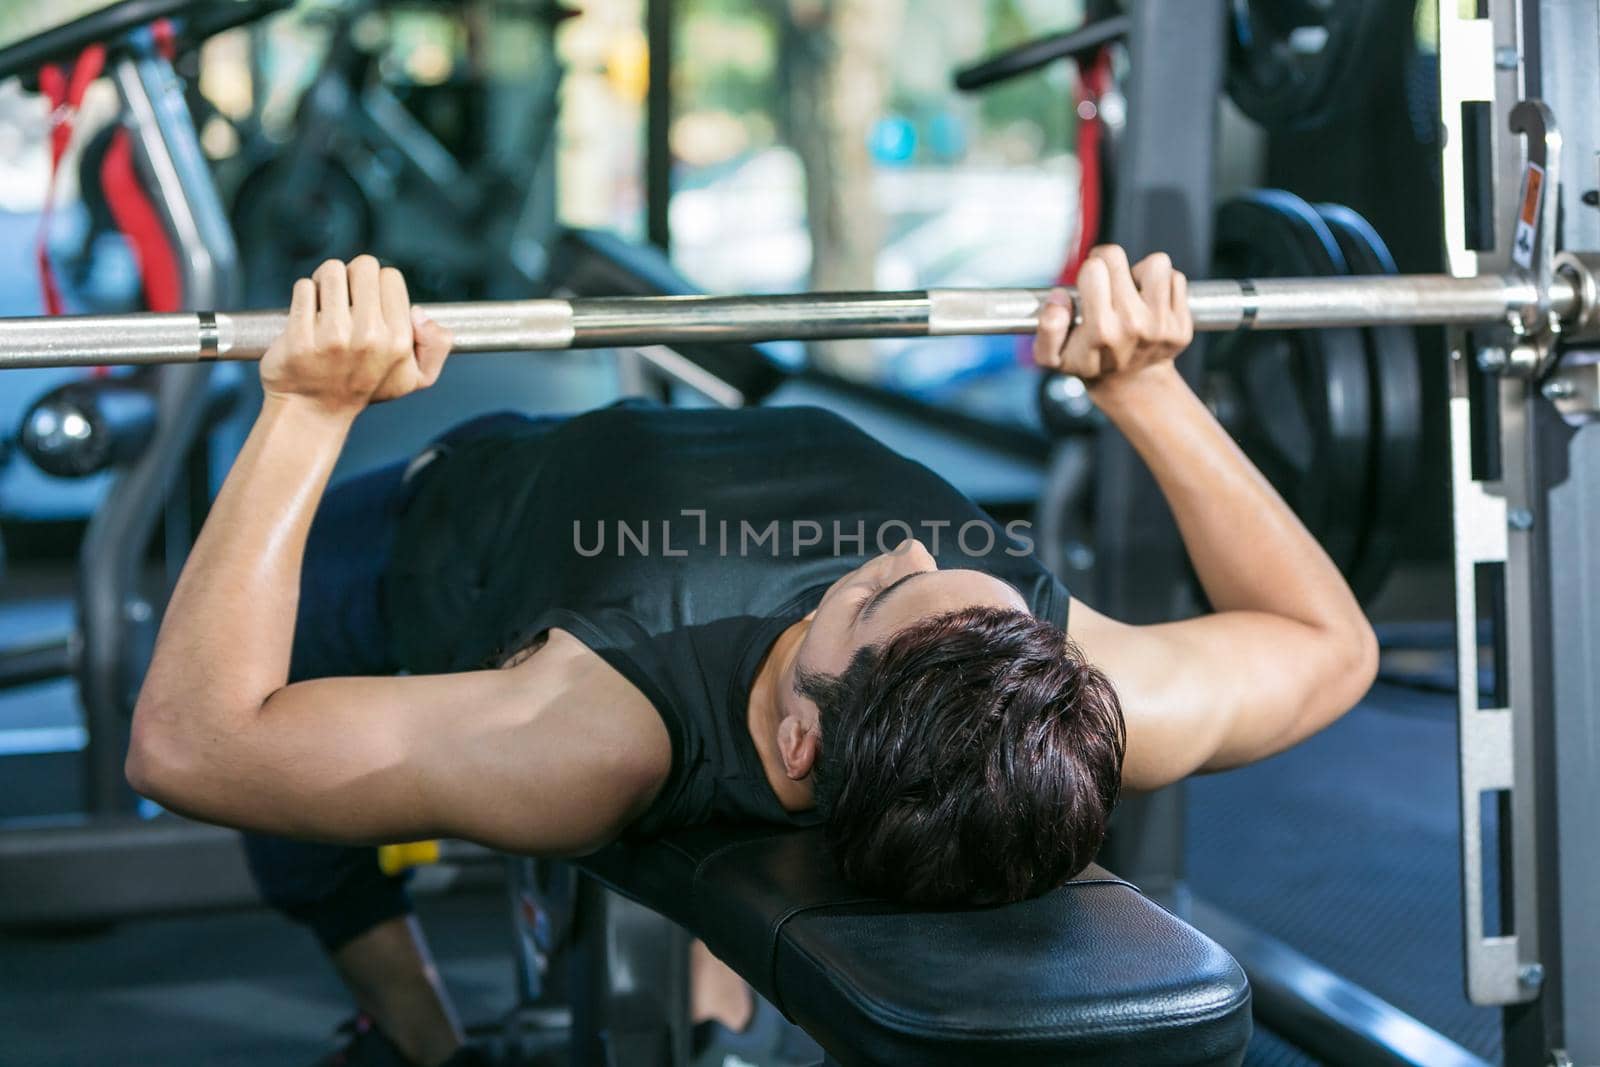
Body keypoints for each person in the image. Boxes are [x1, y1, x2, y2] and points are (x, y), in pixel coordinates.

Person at [124, 248, 1378, 1067]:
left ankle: (418, 1037)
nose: (890, 546)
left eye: (872, 588)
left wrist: (308, 409)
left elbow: (192, 739)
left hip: (431, 528)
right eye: (943, 562)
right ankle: (717, 1035)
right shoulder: (1054, 682)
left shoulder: (576, 734)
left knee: (300, 806)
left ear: (799, 739)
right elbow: (1328, 646)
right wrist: (1148, 387)